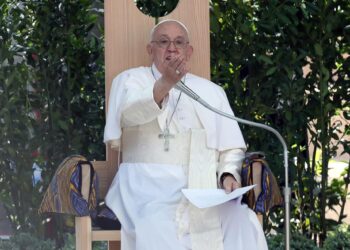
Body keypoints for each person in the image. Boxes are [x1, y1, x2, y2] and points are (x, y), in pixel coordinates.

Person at [104, 19, 268, 250]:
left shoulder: (211, 92)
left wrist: (228, 175)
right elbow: (129, 115)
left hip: (203, 188)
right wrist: (166, 83)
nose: (172, 48)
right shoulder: (129, 80)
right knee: (156, 226)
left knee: (243, 221)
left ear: (189, 51)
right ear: (150, 50)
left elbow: (230, 146)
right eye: (163, 42)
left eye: (179, 42)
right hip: (145, 187)